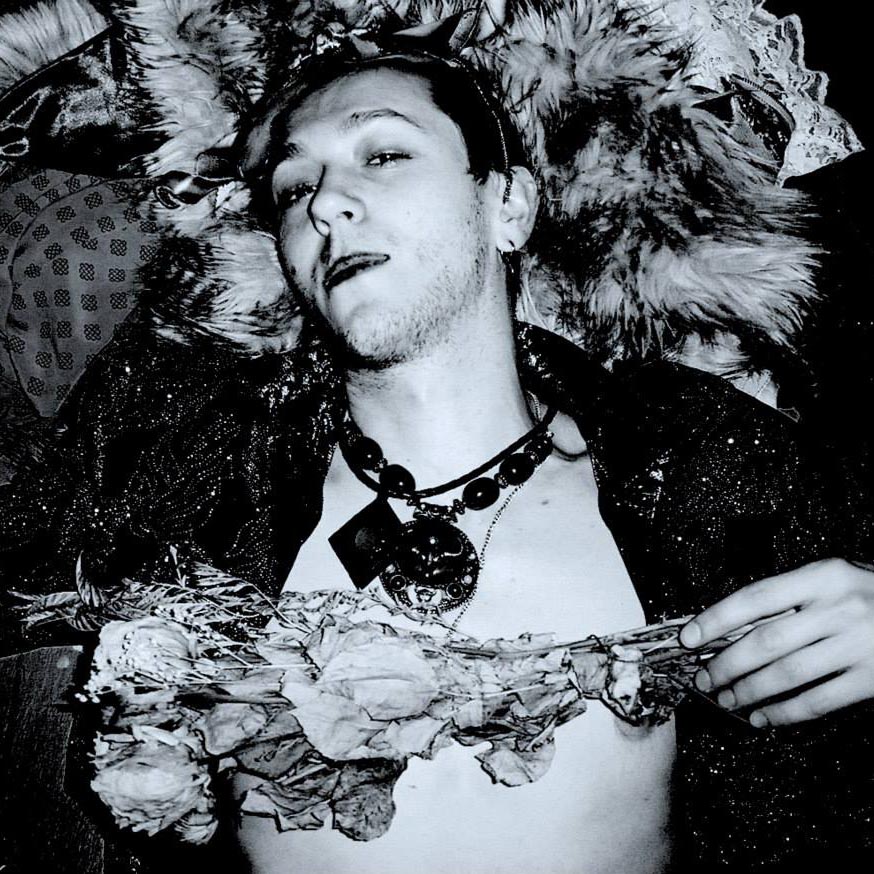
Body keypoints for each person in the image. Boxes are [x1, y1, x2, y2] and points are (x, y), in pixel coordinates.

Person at [1, 3, 873, 873]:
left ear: (508, 207)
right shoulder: (186, 473)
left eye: (384, 154)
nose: (326, 204)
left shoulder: (713, 469)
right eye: (294, 189)